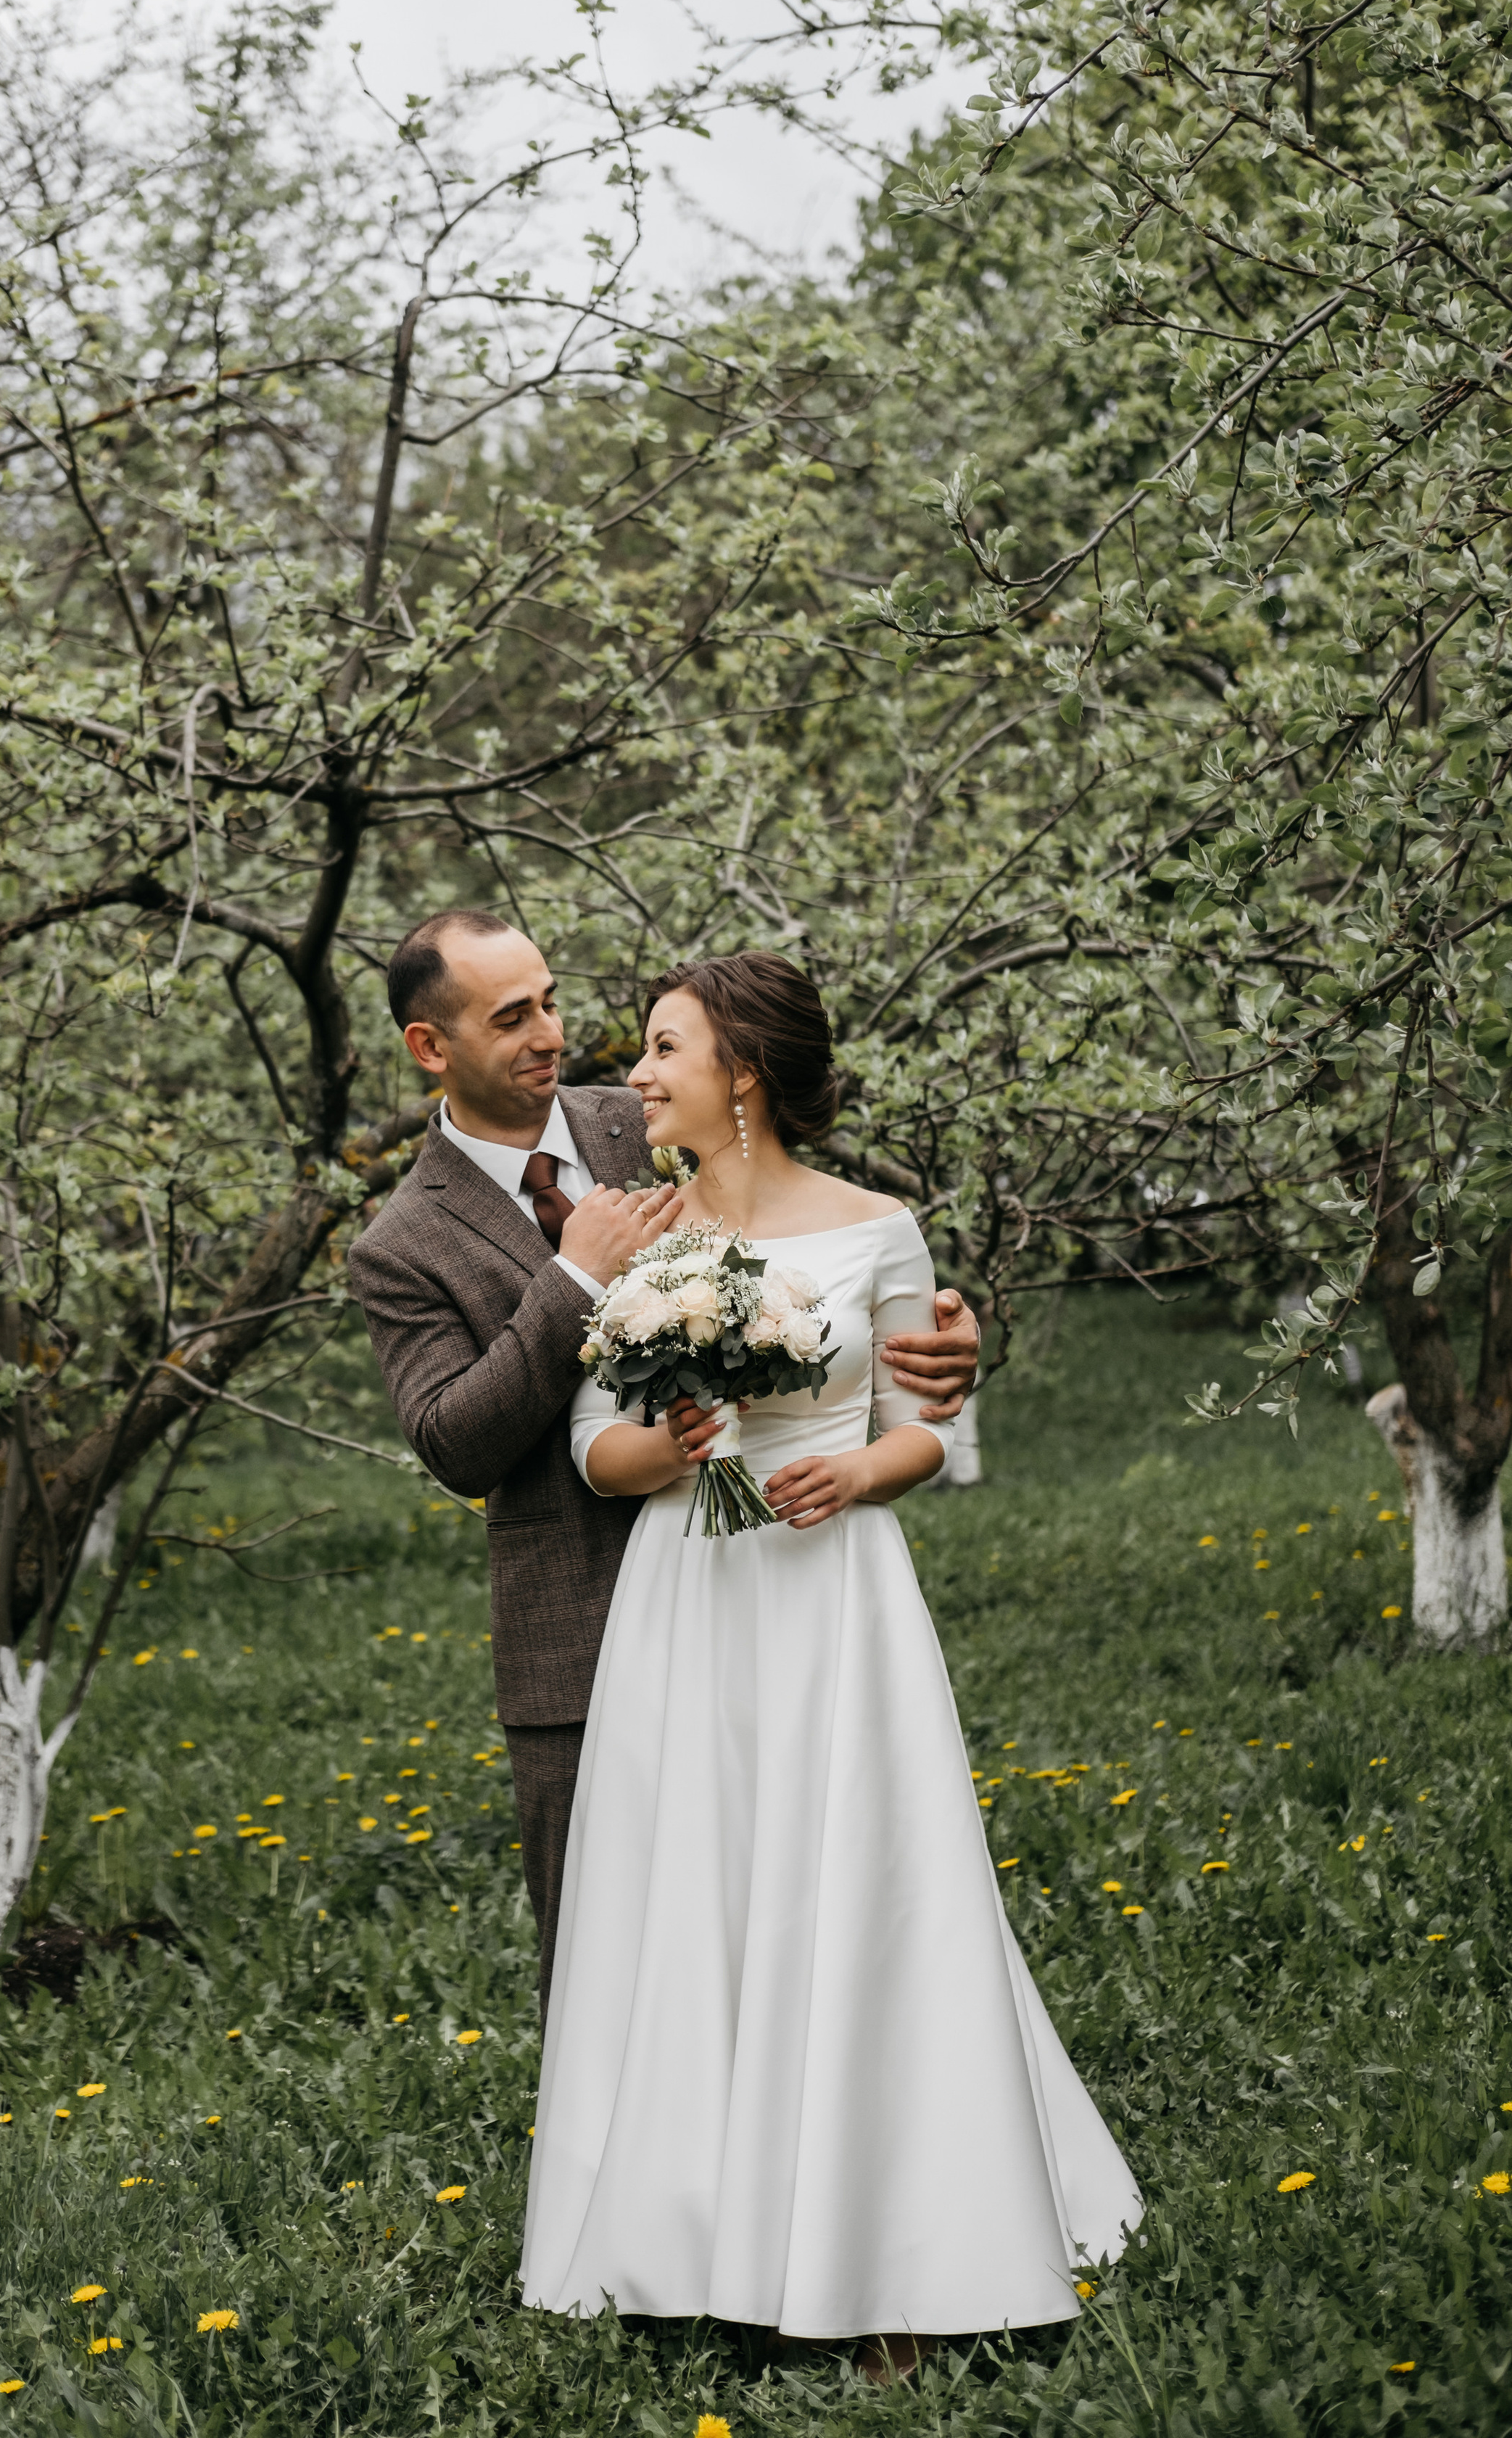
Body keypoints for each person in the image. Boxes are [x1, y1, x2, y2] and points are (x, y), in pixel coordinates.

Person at [519, 952, 1141, 2379]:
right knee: (700, 1902)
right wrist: (663, 1447)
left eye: (664, 1049)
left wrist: (857, 1472)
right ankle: (686, 2245)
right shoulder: (650, 1243)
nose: (638, 1075)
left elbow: (923, 1423)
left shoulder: (878, 1232)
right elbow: (593, 1452)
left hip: (832, 1604)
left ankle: (896, 2260)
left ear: (739, 1071)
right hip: (688, 1605)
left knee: (857, 1899)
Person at [345, 910, 981, 2026]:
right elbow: (455, 1443)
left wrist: (950, 1349)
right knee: (619, 1977)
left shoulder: (642, 1122)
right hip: (585, 1635)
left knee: (812, 1921)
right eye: (512, 1018)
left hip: (790, 1594)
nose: (555, 1035)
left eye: (548, 999)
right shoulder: (402, 1245)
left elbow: (819, 1249)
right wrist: (572, 1280)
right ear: (429, 1049)